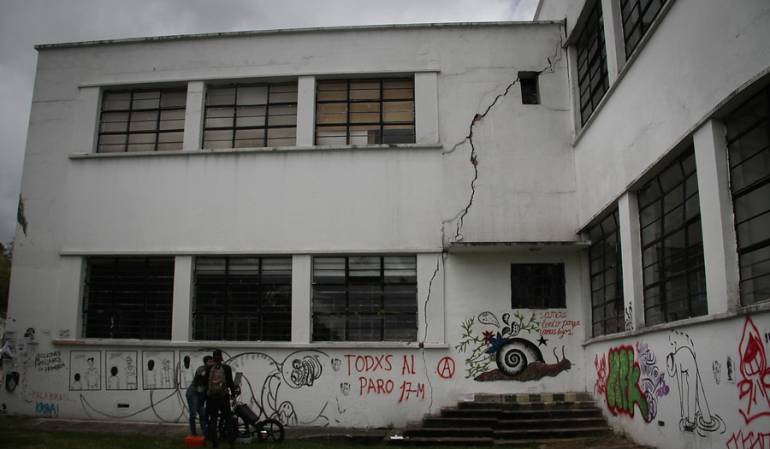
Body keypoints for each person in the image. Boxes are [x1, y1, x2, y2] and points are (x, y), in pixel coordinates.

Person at [204, 350, 238, 448]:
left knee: (213, 420)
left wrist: (207, 396)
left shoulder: (208, 368)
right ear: (221, 358)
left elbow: (205, 383)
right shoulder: (226, 368)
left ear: (213, 358)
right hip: (223, 398)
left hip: (212, 399)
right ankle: (231, 443)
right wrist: (233, 395)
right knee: (228, 420)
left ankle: (215, 444)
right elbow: (230, 383)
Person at [186, 355, 212, 436]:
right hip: (193, 393)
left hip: (201, 394)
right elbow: (202, 376)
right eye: (210, 362)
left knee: (202, 413)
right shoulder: (201, 369)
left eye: (212, 361)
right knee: (193, 413)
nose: (212, 363)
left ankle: (204, 432)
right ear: (205, 362)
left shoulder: (211, 370)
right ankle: (193, 432)